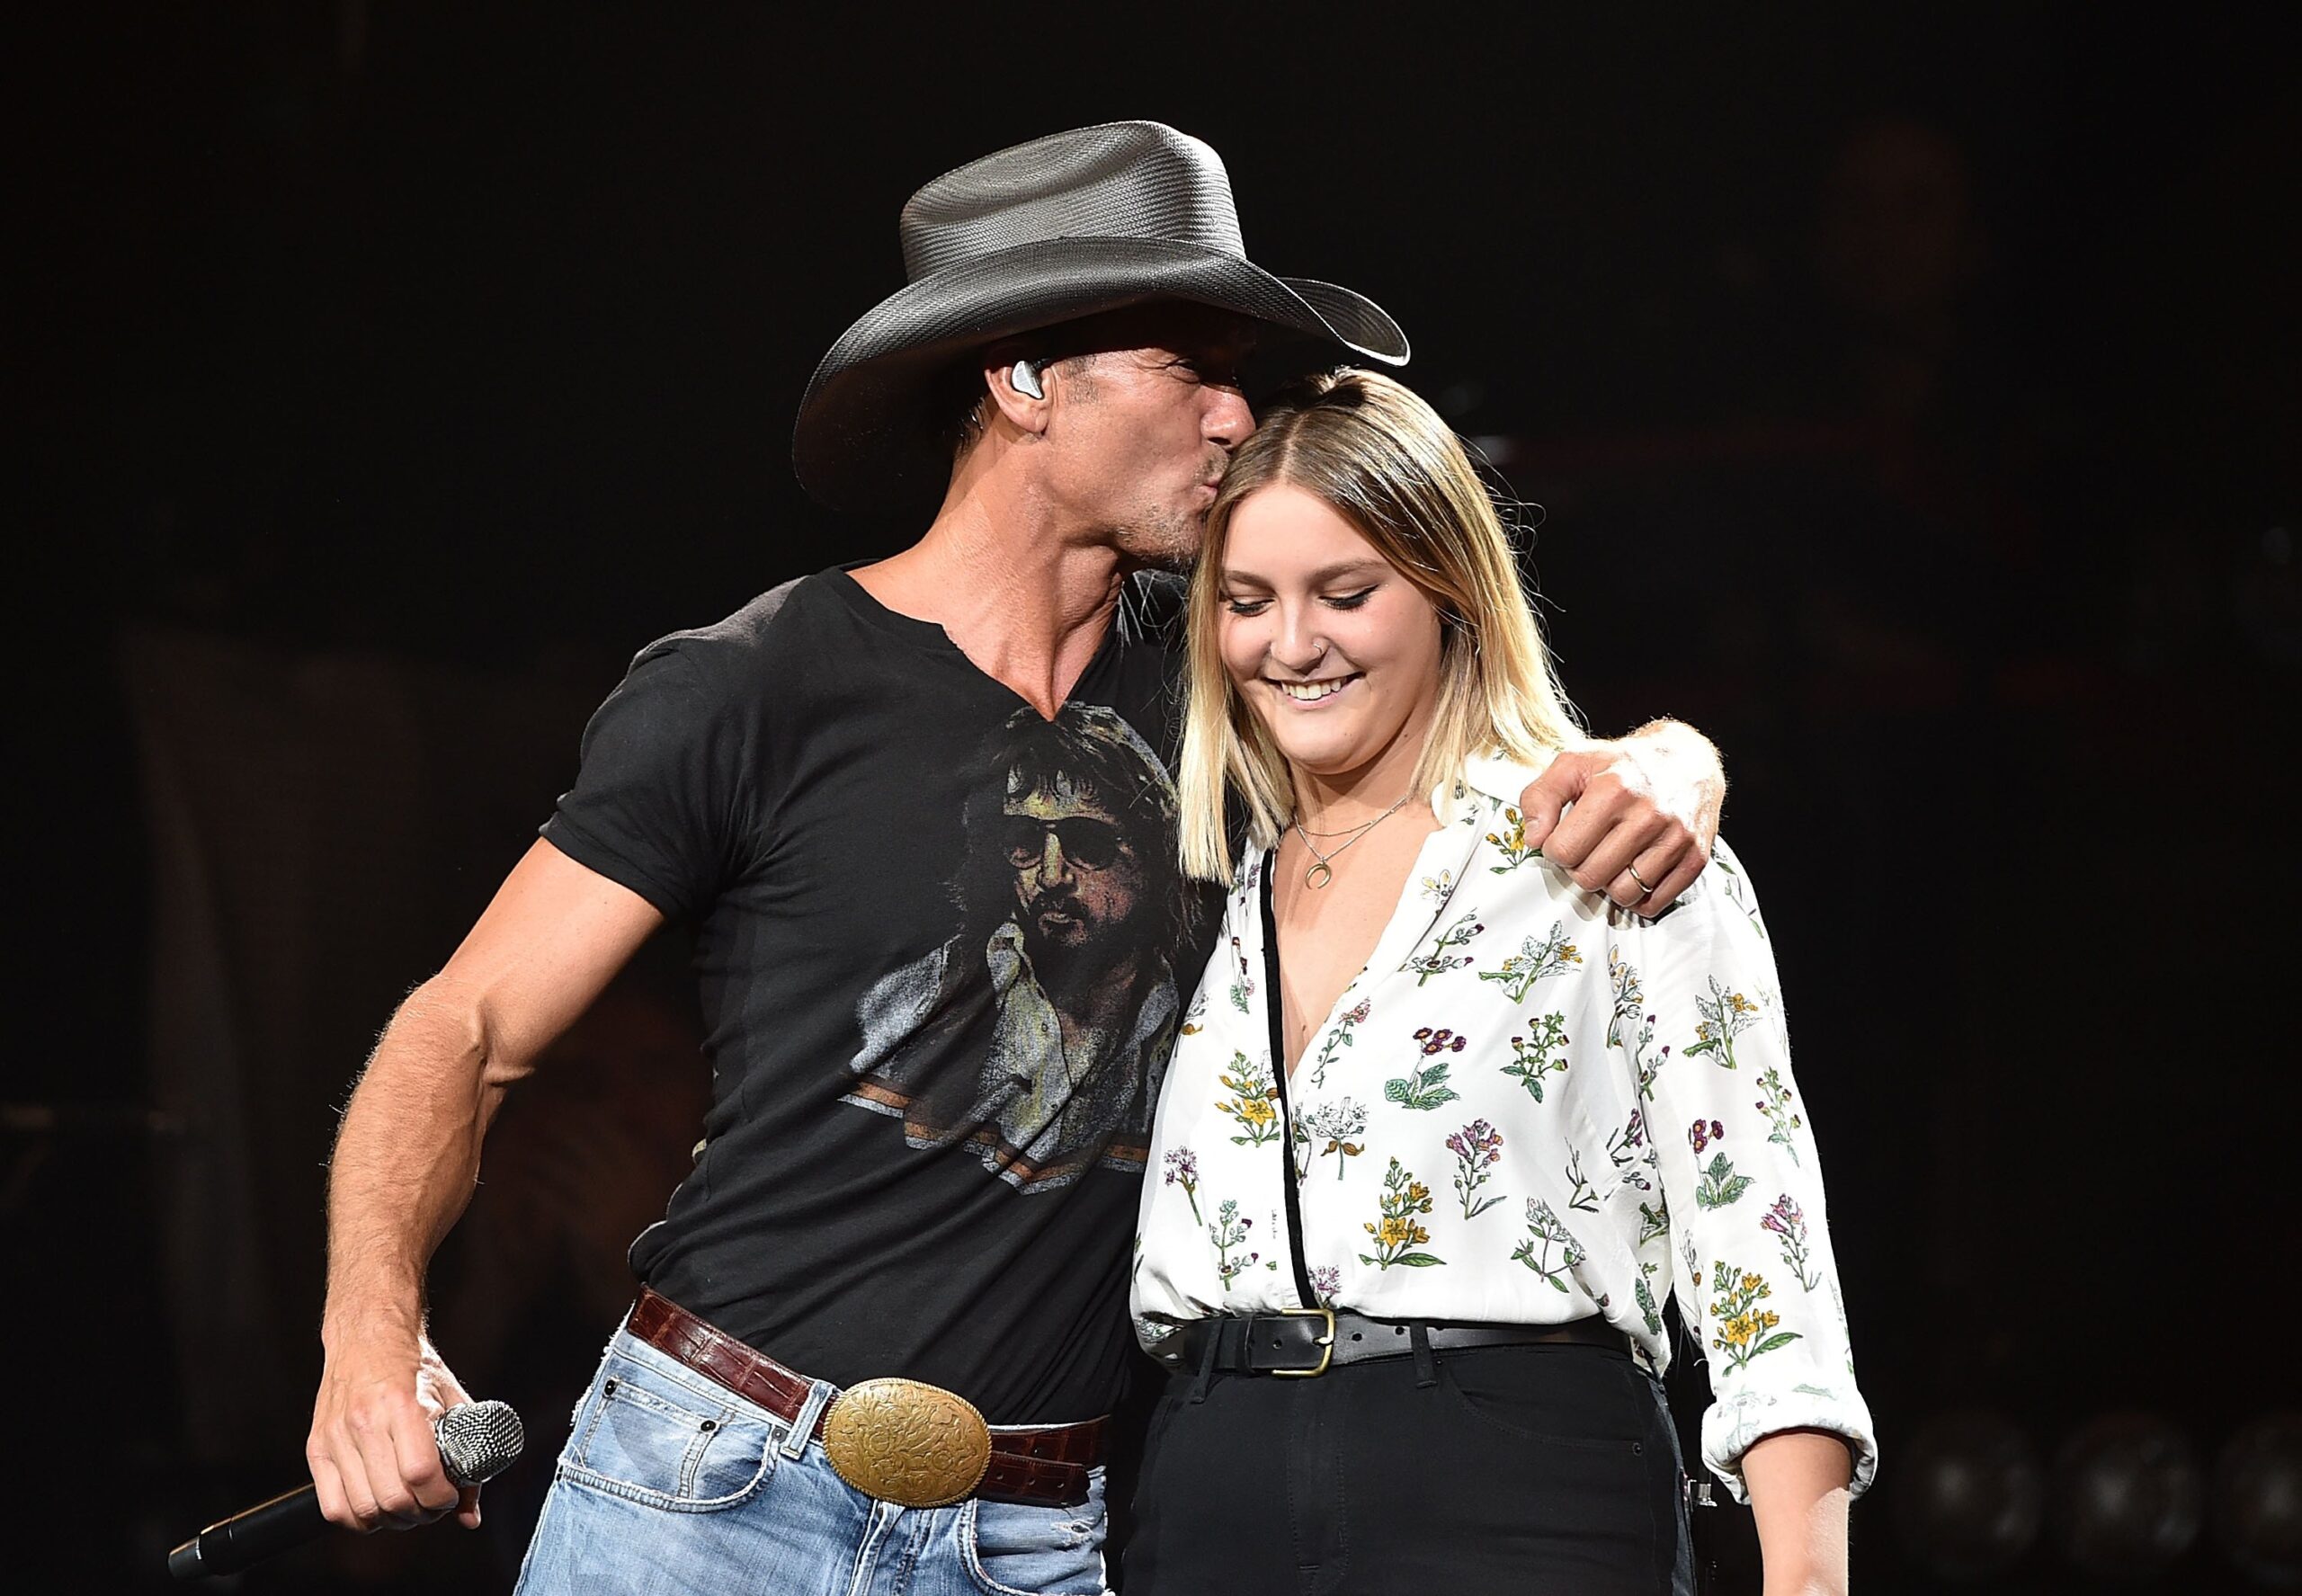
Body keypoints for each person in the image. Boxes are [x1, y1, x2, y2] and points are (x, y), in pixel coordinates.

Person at [304, 122, 1729, 1595]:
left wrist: (1675, 758)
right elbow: (464, 1028)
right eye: (1197, 368)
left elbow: (1489, 745)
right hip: (711, 1489)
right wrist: (368, 1337)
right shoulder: (757, 684)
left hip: (1042, 1537)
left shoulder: (1233, 690)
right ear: (1022, 378)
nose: (1240, 418)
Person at [1127, 370, 1875, 1593]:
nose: (1291, 643)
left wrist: (1805, 1579)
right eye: (1248, 601)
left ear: (1450, 592)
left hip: (1519, 1490)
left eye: (1346, 593)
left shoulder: (1603, 847)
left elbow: (1761, 1253)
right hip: (1214, 1490)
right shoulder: (1199, 889)